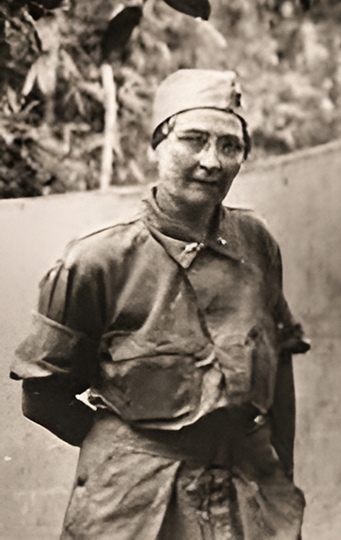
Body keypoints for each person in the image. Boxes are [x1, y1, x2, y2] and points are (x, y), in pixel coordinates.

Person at [10, 69, 309, 540]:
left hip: (244, 491)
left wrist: (279, 472)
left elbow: (280, 358)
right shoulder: (97, 261)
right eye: (193, 140)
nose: (212, 162)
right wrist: (124, 454)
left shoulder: (256, 243)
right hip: (135, 508)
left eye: (230, 146)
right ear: (157, 145)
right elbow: (42, 394)